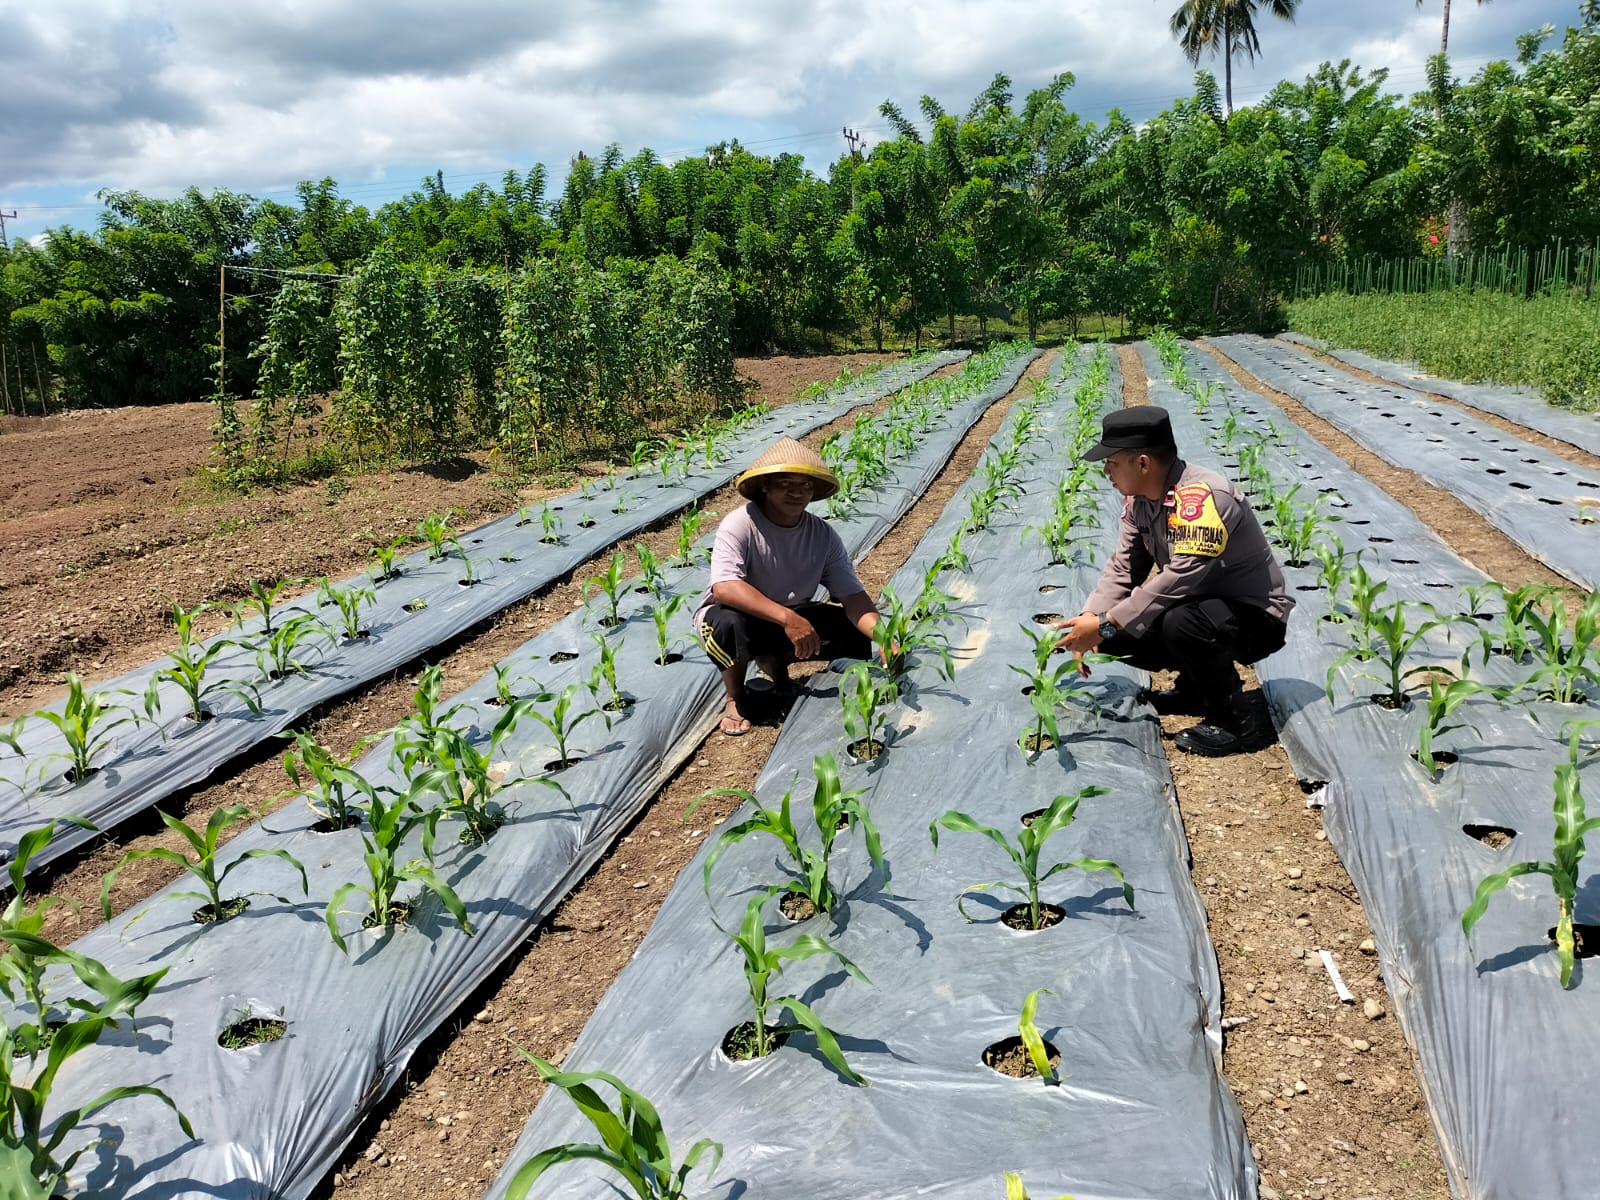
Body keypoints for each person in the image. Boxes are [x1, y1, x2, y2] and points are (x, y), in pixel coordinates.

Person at [1054, 406, 1293, 756]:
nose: (1105, 470)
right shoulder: (1140, 503)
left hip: (1256, 618)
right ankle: (1194, 689)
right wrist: (1091, 619)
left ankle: (1235, 721)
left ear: (1143, 463)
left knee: (1179, 621)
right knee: (1109, 634)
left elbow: (1181, 577)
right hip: (1201, 605)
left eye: (1112, 462)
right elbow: (1123, 568)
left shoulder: (1205, 498)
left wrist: (1107, 623)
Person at [694, 437, 882, 736]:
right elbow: (725, 588)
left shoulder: (822, 534)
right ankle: (735, 697)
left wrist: (886, 638)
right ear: (765, 486)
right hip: (735, 615)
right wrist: (788, 619)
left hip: (790, 613)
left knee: (851, 629)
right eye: (785, 483)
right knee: (727, 626)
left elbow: (853, 596)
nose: (797, 492)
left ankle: (775, 664)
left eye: (805, 485)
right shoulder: (741, 523)